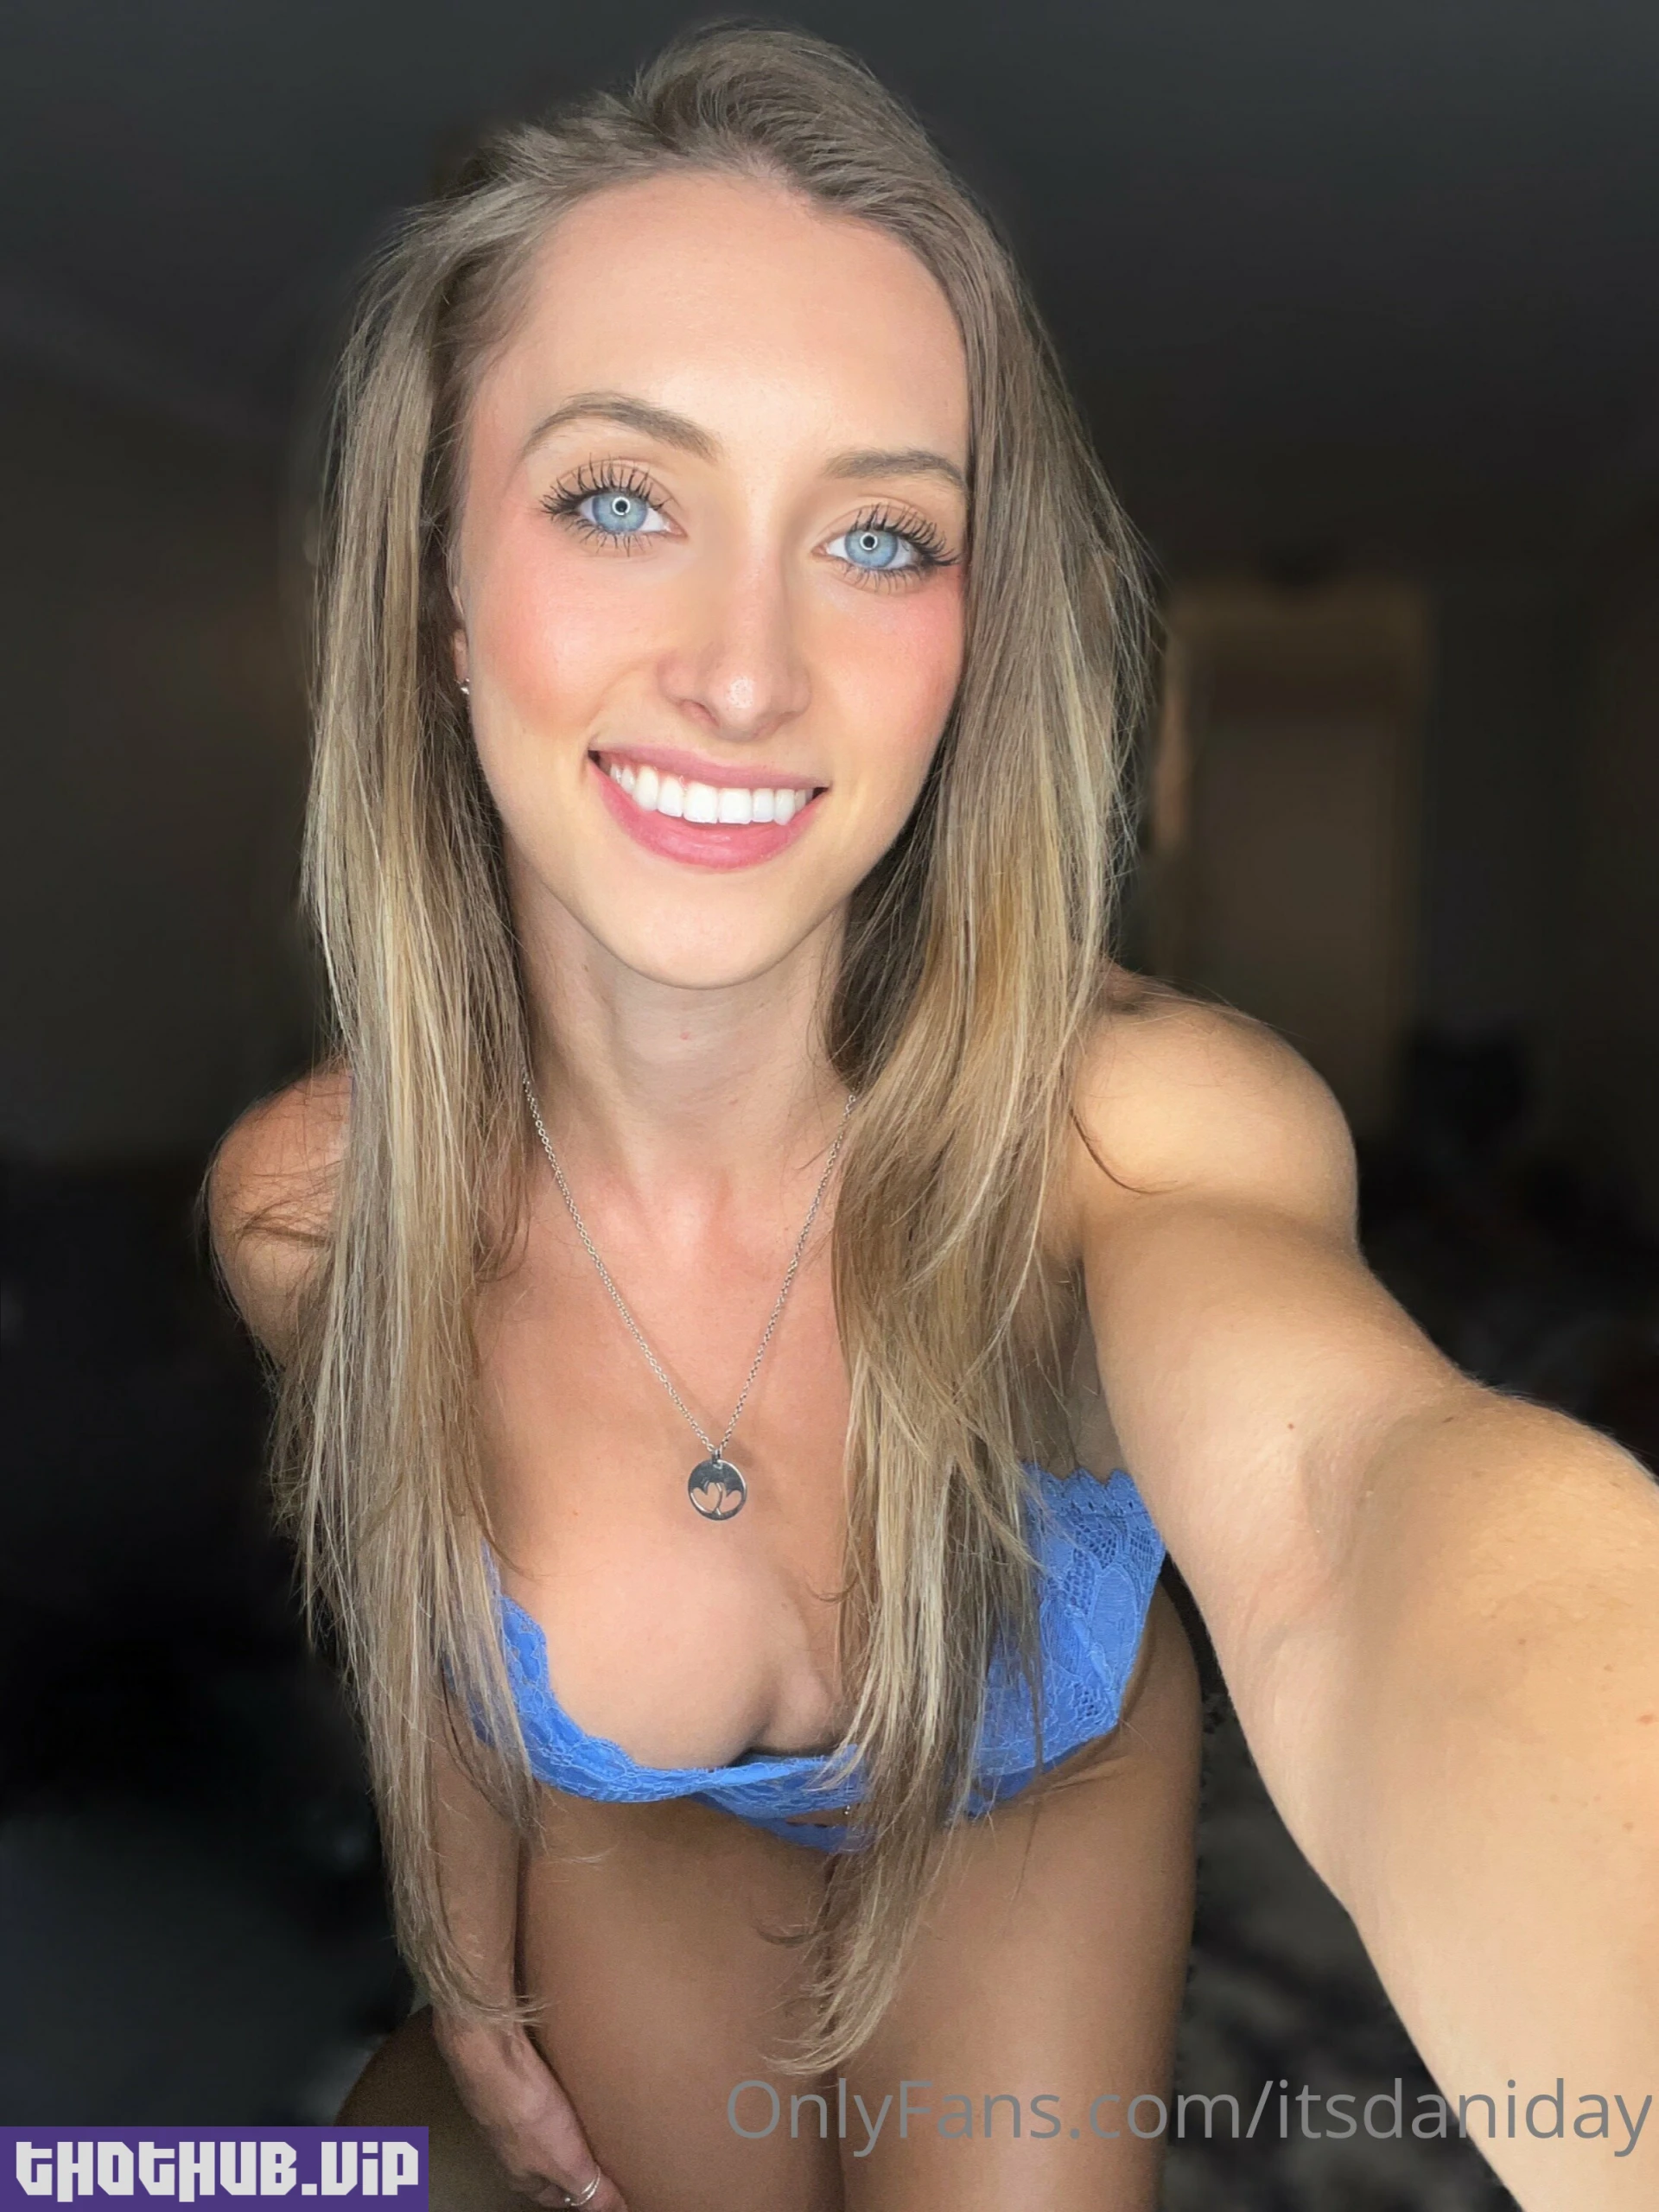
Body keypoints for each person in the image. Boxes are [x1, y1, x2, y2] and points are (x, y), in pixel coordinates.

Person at [208, 25, 1659, 2212]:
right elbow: (427, 1575)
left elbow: (1372, 1507)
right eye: (620, 498)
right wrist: (453, 1901)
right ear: (437, 595)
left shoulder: (1136, 1129)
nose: (745, 671)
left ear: (972, 647)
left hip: (1043, 1786)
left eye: (882, 536)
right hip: (641, 1820)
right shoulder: (315, 1206)